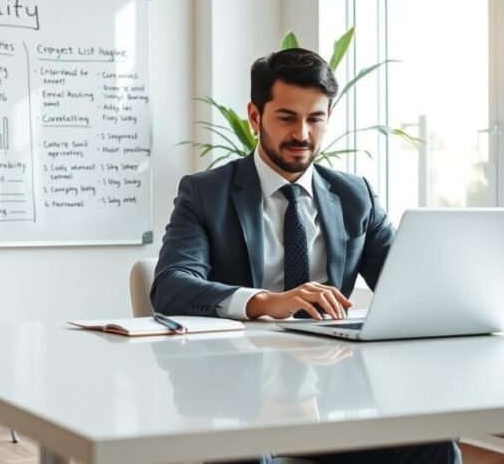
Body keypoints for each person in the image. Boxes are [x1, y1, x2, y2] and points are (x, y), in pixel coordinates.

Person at [151, 47, 460, 464]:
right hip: (240, 401)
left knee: (435, 442)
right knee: (241, 456)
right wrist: (266, 301)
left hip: (334, 401)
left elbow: (406, 286)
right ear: (255, 116)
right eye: (286, 117)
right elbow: (171, 286)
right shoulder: (205, 194)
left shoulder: (356, 197)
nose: (302, 133)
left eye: (315, 118)